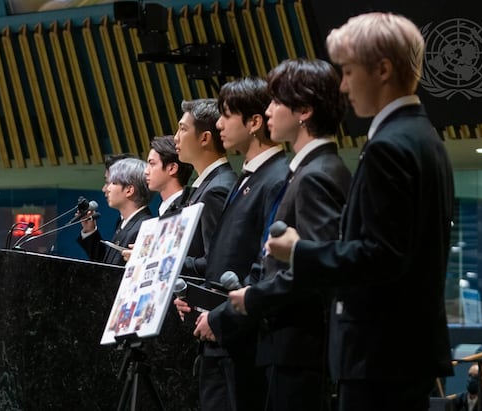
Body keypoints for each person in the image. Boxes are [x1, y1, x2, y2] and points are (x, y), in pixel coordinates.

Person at [231, 12, 455, 411]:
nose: (344, 86)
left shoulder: (390, 145)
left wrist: (298, 251)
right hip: (400, 349)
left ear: (383, 70)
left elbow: (382, 255)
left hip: (379, 350)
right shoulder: (422, 136)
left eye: (349, 72)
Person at [224, 58, 351, 411]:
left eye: (276, 101)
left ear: (304, 111)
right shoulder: (312, 170)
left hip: (301, 349)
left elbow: (316, 268)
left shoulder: (316, 175)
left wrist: (255, 296)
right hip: (293, 346)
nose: (267, 110)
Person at [176, 77, 289, 411]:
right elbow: (223, 260)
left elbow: (264, 266)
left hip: (242, 338)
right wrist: (196, 300)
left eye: (226, 115)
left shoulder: (277, 177)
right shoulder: (247, 177)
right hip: (221, 336)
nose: (219, 124)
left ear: (254, 123)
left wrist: (222, 317)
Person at [174, 98, 238, 274]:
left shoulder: (216, 189)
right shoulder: (210, 183)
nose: (176, 137)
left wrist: (164, 261)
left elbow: (215, 262)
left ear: (204, 138)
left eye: (183, 129)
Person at [77, 157, 153, 267]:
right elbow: (106, 264)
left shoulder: (144, 228)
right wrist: (89, 230)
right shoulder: (124, 223)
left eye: (113, 182)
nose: (106, 189)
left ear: (129, 190)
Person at [145, 135, 193, 216]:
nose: (146, 171)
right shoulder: (163, 207)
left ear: (172, 168)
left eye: (152, 164)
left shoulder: (188, 208)